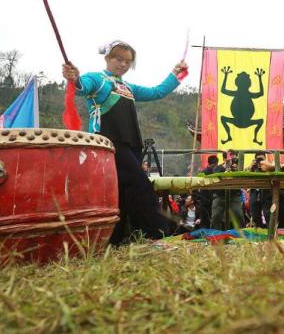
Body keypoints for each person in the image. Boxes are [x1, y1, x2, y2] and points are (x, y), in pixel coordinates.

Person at [62, 40, 187, 244]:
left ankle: (116, 239)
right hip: (109, 142)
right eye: (119, 59)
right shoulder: (98, 79)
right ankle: (157, 234)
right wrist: (75, 78)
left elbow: (157, 92)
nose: (123, 64)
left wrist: (175, 73)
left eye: (128, 62)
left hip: (131, 144)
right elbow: (82, 87)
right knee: (140, 184)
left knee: (120, 191)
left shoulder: (127, 86)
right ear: (108, 58)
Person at [210, 157, 244, 230]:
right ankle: (213, 236)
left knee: (238, 214)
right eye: (231, 159)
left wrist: (236, 169)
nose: (233, 163)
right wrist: (224, 170)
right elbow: (215, 176)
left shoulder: (237, 168)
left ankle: (242, 235)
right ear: (225, 159)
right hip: (220, 195)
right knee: (216, 215)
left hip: (234, 195)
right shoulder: (217, 168)